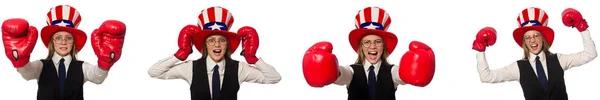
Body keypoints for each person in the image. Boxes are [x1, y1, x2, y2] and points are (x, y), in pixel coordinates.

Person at [148, 6, 281, 100]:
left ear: (227, 45)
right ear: (205, 45)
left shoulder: (239, 68)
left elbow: (274, 78)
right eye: (211, 40)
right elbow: (154, 72)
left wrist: (252, 58)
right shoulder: (190, 67)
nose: (217, 44)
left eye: (222, 40)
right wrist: (180, 54)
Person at [302, 6, 436, 100]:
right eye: (367, 42)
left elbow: (400, 75)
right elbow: (343, 74)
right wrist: (329, 70)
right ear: (361, 46)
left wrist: (415, 68)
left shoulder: (392, 71)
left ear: (383, 46)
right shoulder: (352, 71)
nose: (372, 46)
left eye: (378, 41)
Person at [1, 5, 126, 100]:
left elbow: (97, 77)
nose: (63, 42)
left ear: (73, 43)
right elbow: (27, 74)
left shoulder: (82, 67)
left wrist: (105, 62)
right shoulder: (40, 66)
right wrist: (19, 59)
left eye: (68, 38)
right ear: (52, 42)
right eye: (58, 37)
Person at [473, 7, 597, 100]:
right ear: (524, 42)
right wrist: (480, 50)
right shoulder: (518, 67)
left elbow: (590, 54)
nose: (532, 40)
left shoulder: (559, 59)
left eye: (536, 35)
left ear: (543, 38)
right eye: (528, 37)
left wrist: (582, 28)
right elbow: (486, 77)